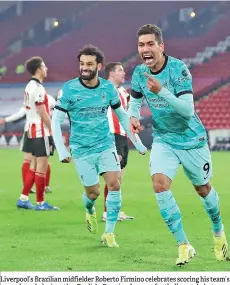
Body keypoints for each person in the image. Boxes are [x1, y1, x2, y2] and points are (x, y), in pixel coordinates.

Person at [129, 24, 229, 266]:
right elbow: (135, 101)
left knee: (203, 190)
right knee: (159, 185)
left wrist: (162, 90)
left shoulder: (178, 69)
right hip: (164, 139)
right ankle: (183, 244)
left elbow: (187, 110)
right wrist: (132, 116)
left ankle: (218, 233)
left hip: (192, 139)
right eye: (141, 45)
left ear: (161, 46)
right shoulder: (139, 73)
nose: (145, 49)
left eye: (150, 44)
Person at [52, 45, 146, 247]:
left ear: (98, 65)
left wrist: (137, 143)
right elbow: (55, 121)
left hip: (105, 145)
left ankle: (109, 233)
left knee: (115, 183)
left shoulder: (107, 88)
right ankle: (89, 209)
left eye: (89, 64)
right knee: (93, 192)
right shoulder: (69, 89)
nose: (84, 68)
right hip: (81, 149)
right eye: (82, 64)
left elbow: (122, 116)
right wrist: (62, 150)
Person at [16, 56, 58, 210]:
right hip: (41, 131)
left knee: (33, 166)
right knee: (41, 166)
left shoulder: (29, 86)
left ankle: (24, 198)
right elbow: (42, 111)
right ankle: (40, 203)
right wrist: (52, 130)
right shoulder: (38, 88)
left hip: (31, 131)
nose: (46, 69)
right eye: (45, 66)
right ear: (39, 69)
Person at [0, 95, 56, 193]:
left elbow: (21, 113)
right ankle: (45, 186)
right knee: (44, 161)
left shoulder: (30, 97)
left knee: (28, 160)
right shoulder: (50, 98)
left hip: (30, 130)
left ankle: (27, 188)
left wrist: (5, 119)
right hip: (44, 131)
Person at [103, 62, 133, 222]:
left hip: (122, 136)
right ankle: (108, 212)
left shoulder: (123, 92)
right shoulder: (104, 89)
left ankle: (115, 210)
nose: (123, 72)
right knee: (113, 177)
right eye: (120, 70)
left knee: (120, 176)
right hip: (111, 135)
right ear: (111, 73)